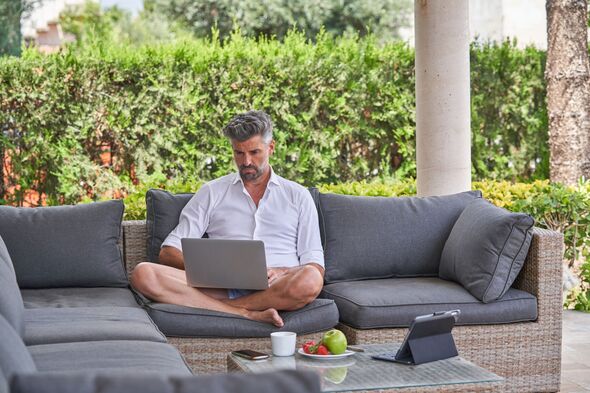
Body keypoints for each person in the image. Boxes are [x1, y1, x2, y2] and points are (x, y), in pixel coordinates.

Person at [130, 110, 325, 327]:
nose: (246, 161)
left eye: (254, 152)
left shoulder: (297, 195)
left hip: (279, 286)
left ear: (271, 148)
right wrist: (213, 271)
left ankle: (224, 307)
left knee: (310, 279)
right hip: (220, 286)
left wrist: (282, 271)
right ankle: (245, 313)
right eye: (239, 153)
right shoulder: (212, 192)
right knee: (143, 273)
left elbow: (315, 265)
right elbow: (168, 252)